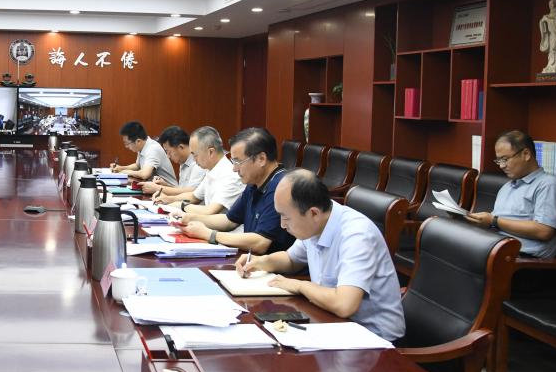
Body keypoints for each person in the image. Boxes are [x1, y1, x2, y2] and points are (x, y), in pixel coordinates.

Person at [239, 169, 405, 342]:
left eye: (285, 217)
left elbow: (344, 305)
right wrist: (259, 262)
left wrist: (300, 286)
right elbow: (291, 260)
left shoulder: (357, 235)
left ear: (314, 213)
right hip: (333, 323)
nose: (282, 225)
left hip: (376, 340)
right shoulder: (316, 223)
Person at [178, 127, 294, 253]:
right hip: (250, 259)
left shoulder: (282, 187)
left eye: (238, 162)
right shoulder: (254, 182)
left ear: (261, 159)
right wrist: (191, 218)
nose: (234, 168)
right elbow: (229, 221)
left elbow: (261, 242)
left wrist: (210, 234)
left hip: (270, 263)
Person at [465, 130, 556, 258]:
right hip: (495, 248)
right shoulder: (507, 186)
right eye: (499, 161)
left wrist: (493, 220)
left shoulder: (548, 185)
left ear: (526, 154)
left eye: (505, 159)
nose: (501, 166)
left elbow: (544, 231)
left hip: (524, 259)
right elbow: (496, 222)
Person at [153, 126, 243, 216]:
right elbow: (194, 196)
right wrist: (169, 199)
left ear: (211, 152)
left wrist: (182, 206)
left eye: (194, 154)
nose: (193, 159)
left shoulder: (229, 175)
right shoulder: (212, 169)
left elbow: (209, 210)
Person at [139, 125, 206, 196]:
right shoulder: (183, 162)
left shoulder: (198, 163)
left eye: (169, 151)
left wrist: (158, 188)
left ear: (181, 147)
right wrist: (165, 185)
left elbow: (192, 192)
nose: (168, 156)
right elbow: (181, 190)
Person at [110, 120, 177, 184]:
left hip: (169, 189)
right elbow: (137, 166)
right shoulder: (143, 146)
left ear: (138, 141)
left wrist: (124, 172)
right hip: (155, 187)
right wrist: (121, 168)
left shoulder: (153, 149)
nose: (126, 146)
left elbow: (145, 174)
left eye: (127, 143)